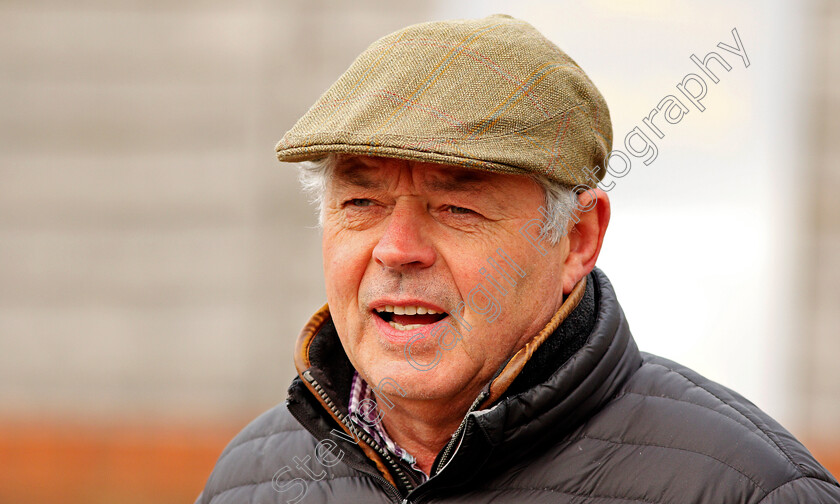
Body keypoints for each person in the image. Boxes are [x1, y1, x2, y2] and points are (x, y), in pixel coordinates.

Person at [195, 14, 840, 504]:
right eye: (361, 202)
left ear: (578, 239)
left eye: (458, 209)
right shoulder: (248, 483)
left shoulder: (749, 489)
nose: (397, 249)